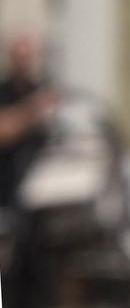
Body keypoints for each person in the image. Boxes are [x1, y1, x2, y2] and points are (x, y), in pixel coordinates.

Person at [0, 31, 58, 307]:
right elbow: (4, 129)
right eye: (19, 57)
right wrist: (33, 112)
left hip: (43, 203)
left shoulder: (44, 89)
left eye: (29, 56)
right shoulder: (6, 92)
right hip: (8, 196)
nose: (24, 62)